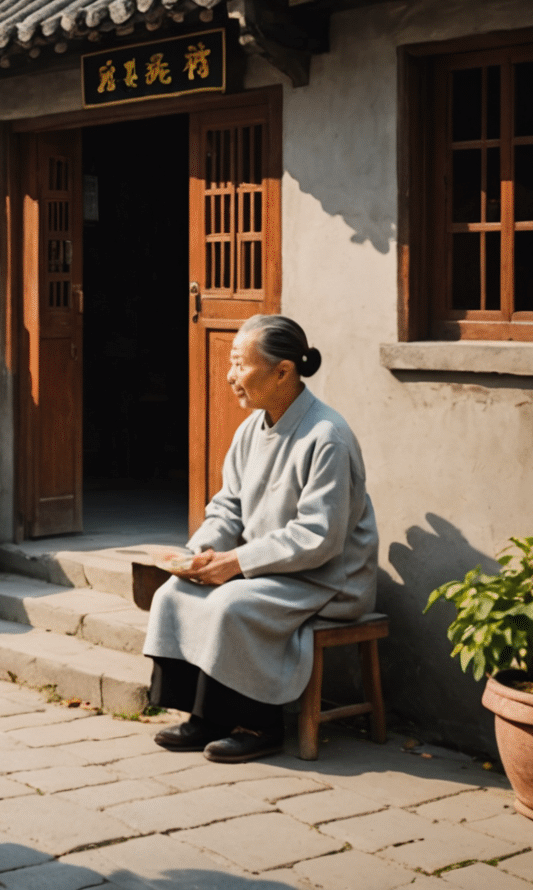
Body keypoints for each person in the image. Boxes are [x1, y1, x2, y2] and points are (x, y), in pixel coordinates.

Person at [143, 315, 378, 763]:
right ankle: (206, 717)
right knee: (175, 592)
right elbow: (228, 505)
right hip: (266, 566)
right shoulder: (252, 429)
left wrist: (236, 563)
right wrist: (200, 553)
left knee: (233, 605)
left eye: (240, 364)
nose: (230, 376)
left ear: (283, 371)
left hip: (327, 577)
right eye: (231, 364)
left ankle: (260, 724)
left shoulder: (327, 436)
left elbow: (320, 537)